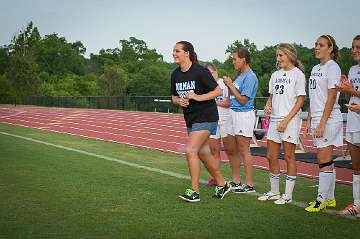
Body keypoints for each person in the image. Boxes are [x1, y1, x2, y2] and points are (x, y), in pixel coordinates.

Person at [170, 41, 231, 202]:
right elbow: (173, 97)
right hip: (191, 118)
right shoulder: (175, 74)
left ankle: (194, 191)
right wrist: (179, 101)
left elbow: (217, 90)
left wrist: (198, 97)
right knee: (203, 153)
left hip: (207, 117)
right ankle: (222, 183)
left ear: (187, 53)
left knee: (190, 150)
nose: (174, 53)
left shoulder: (200, 72)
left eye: (177, 51)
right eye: (173, 51)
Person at [257, 43, 306, 204]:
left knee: (289, 156)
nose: (278, 59)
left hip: (290, 120)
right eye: (277, 56)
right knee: (271, 155)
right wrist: (268, 105)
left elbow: (300, 101)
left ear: (290, 55)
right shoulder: (275, 75)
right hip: (275, 120)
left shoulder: (298, 75)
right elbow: (272, 96)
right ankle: (274, 191)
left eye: (281, 55)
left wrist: (286, 120)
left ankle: (288, 195)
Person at [304, 35, 343, 212]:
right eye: (316, 44)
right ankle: (331, 198)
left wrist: (322, 123)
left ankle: (320, 200)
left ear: (330, 48)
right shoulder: (315, 68)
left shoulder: (333, 67)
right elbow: (314, 97)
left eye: (321, 45)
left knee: (323, 159)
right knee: (327, 160)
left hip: (328, 119)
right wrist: (310, 118)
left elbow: (331, 97)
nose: (317, 47)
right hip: (318, 117)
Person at [223, 48, 259, 193]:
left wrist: (230, 85)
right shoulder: (240, 75)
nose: (233, 61)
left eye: (235, 59)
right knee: (231, 149)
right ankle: (236, 181)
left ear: (243, 59)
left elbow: (243, 100)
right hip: (232, 113)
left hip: (243, 115)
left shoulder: (250, 77)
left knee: (244, 150)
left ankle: (249, 184)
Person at [336, 35, 360, 219]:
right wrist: (346, 90)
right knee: (357, 168)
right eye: (353, 47)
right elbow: (352, 97)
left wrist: (351, 90)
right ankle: (357, 205)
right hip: (353, 122)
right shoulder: (352, 69)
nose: (354, 50)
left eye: (358, 47)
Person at [205, 63, 238, 186]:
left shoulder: (224, 84)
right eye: (208, 74)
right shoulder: (206, 85)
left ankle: (236, 179)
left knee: (231, 150)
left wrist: (213, 102)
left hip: (226, 120)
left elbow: (229, 103)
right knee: (214, 150)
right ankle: (216, 177)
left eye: (212, 73)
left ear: (216, 71)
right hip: (213, 120)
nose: (211, 76)